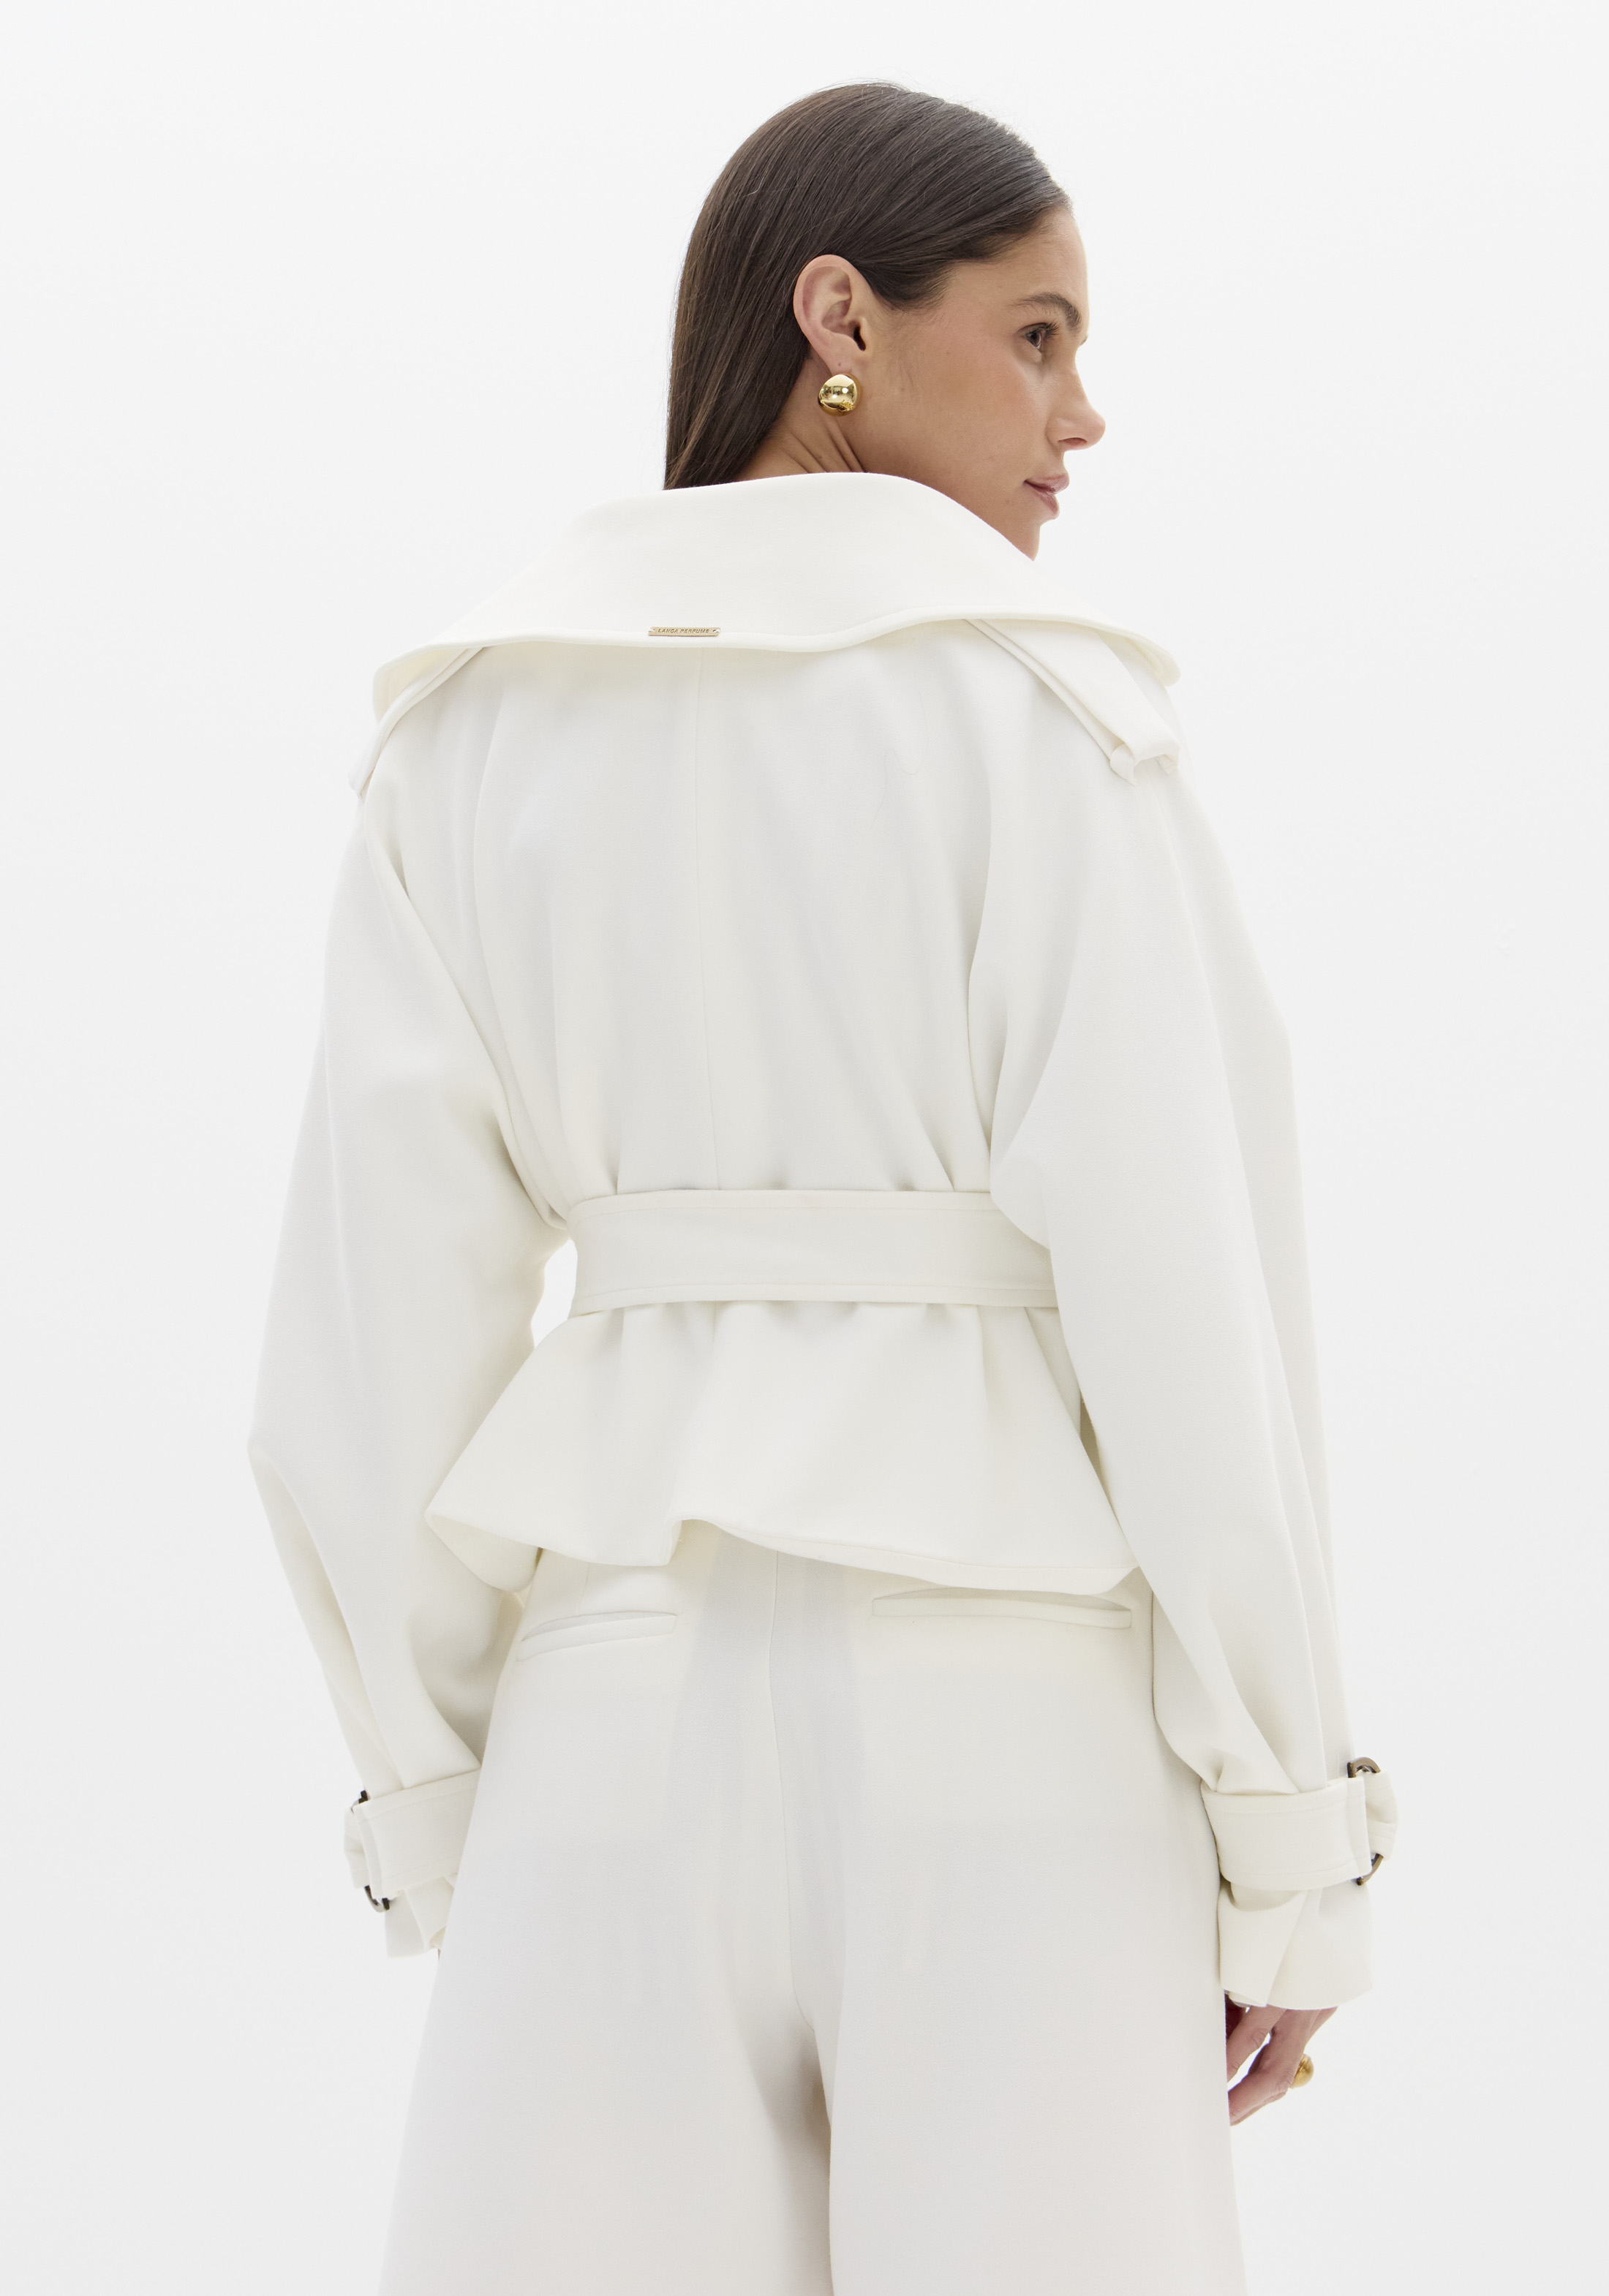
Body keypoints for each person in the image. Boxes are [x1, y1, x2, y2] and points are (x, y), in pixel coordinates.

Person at [251, 81, 1395, 2296]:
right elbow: (1194, 1309)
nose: (1084, 414)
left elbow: (365, 1345)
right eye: (1039, 337)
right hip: (1015, 1737)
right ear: (841, 319)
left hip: (605, 1730)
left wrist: (443, 1794)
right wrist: (1289, 1844)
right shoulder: (1052, 724)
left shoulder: (463, 743)